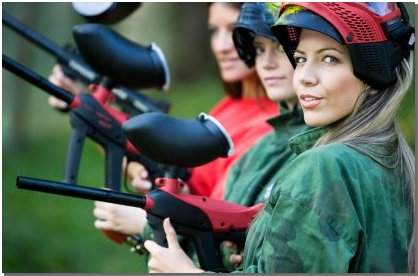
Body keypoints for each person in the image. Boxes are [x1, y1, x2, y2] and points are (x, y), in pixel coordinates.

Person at [143, 2, 415, 273]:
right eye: (300, 59)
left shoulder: (324, 167)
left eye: (329, 58)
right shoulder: (395, 159)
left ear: (373, 72)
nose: (304, 77)